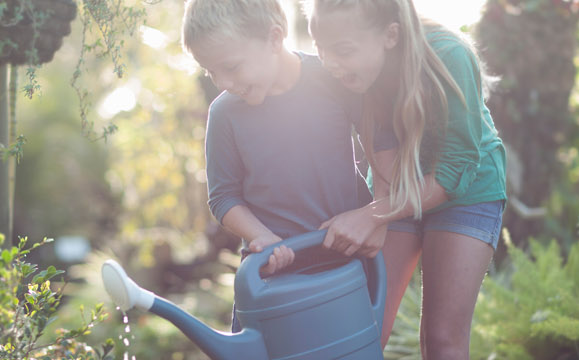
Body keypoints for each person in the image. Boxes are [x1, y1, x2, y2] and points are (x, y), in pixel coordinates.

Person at [307, 0, 509, 358]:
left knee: (442, 339)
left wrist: (373, 214)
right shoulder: (347, 71)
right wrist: (382, 207)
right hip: (397, 183)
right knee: (364, 330)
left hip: (467, 189)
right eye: (321, 49)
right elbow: (377, 140)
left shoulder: (448, 55)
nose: (330, 63)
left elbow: (453, 172)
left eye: (342, 50)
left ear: (390, 35)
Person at [182, 0, 371, 331]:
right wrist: (264, 238)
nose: (222, 82)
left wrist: (373, 215)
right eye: (210, 71)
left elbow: (381, 144)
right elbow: (223, 197)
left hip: (346, 265)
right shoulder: (224, 114)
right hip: (270, 276)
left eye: (232, 66)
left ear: (274, 38)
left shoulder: (333, 79)